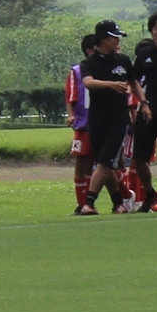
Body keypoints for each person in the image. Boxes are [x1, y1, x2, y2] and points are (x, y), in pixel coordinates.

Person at [79, 20, 151, 215]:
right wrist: (110, 85)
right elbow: (88, 82)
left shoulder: (123, 60)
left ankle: (89, 202)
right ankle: (118, 202)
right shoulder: (89, 63)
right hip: (96, 119)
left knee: (103, 162)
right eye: (114, 37)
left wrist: (143, 103)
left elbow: (134, 83)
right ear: (103, 39)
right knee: (107, 162)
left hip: (118, 120)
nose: (118, 40)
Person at [132, 11, 157, 212]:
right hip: (147, 112)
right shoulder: (144, 54)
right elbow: (134, 80)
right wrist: (143, 103)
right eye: (156, 27)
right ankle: (150, 193)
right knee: (138, 157)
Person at [65, 34, 97, 215]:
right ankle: (81, 203)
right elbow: (70, 97)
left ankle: (90, 202)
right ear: (90, 50)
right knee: (81, 162)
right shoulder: (76, 71)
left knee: (96, 163)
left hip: (99, 123)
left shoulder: (103, 68)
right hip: (83, 124)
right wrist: (71, 116)